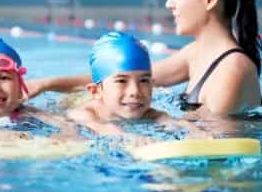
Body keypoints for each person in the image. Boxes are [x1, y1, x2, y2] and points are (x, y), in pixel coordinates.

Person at [26, 0, 262, 117]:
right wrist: (46, 85)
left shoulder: (232, 71)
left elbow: (203, 137)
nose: (170, 4)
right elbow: (120, 76)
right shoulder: (196, 53)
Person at [66, 31, 205, 139]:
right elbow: (99, 127)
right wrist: (124, 136)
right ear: (96, 91)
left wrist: (193, 130)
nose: (135, 91)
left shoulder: (150, 113)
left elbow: (170, 121)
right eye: (121, 81)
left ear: (152, 85)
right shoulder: (84, 113)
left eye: (144, 81)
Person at [0, 35, 76, 139]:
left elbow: (65, 124)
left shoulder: (29, 112)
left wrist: (68, 133)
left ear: (20, 90)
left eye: (4, 78)